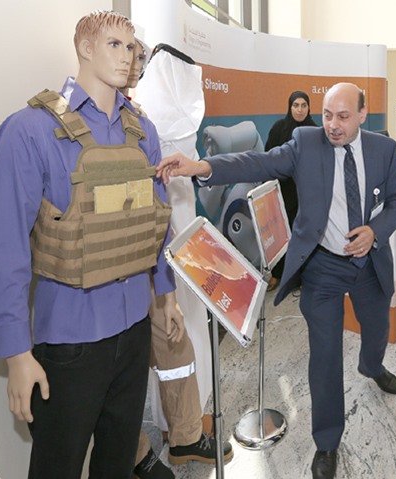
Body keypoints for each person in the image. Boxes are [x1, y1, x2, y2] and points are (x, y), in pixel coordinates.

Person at [156, 82, 396, 479]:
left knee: (376, 328)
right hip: (323, 266)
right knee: (324, 358)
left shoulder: (383, 149)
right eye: (327, 115)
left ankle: (373, 365)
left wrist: (375, 230)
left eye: (343, 117)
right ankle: (327, 443)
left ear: (362, 113)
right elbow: (256, 163)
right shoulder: (306, 142)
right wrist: (204, 167)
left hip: (368, 262)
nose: (333, 125)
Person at [0, 11, 182, 478]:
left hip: (136, 331)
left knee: (117, 463)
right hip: (69, 343)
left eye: (133, 48)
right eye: (115, 44)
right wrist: (16, 353)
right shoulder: (29, 130)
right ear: (84, 48)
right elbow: (5, 251)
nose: (128, 57)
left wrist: (168, 294)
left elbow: (157, 221)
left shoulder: (143, 130)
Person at [122, 38, 233, 479]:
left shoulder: (146, 118)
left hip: (170, 250)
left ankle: (185, 435)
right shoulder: (136, 113)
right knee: (127, 359)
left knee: (175, 345)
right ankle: (138, 451)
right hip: (131, 258)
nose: (130, 61)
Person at [264, 90, 318, 290]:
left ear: (309, 107)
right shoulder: (279, 128)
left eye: (304, 105)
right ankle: (278, 275)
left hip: (305, 191)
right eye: (296, 105)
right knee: (280, 232)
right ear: (290, 107)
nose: (300, 109)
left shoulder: (314, 130)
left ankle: (303, 276)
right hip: (282, 190)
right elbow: (268, 157)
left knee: (303, 232)